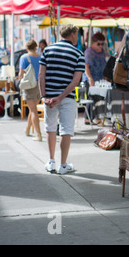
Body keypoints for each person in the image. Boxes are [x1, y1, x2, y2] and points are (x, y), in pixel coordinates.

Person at [39, 24, 85, 175]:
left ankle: (51, 161)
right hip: (67, 98)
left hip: (49, 98)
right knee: (66, 130)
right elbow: (75, 81)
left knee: (50, 128)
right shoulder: (78, 54)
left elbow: (41, 75)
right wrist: (60, 97)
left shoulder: (48, 50)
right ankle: (63, 165)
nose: (77, 37)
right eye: (77, 34)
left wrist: (44, 96)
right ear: (72, 34)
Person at [18, 39, 42, 141]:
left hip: (29, 86)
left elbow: (20, 74)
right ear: (36, 47)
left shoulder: (24, 57)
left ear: (27, 48)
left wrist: (19, 79)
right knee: (33, 109)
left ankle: (39, 135)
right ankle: (27, 129)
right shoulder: (40, 57)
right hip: (39, 85)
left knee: (33, 110)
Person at [82, 32, 107, 125]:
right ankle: (92, 118)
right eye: (99, 44)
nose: (101, 46)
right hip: (90, 78)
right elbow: (86, 67)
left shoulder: (102, 52)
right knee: (93, 98)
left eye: (102, 44)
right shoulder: (89, 52)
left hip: (99, 78)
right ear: (93, 43)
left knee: (97, 97)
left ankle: (88, 118)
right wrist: (90, 78)